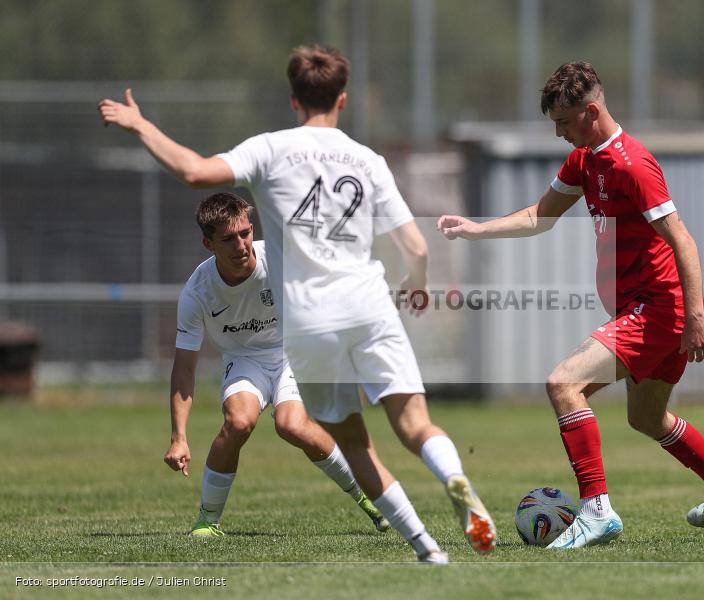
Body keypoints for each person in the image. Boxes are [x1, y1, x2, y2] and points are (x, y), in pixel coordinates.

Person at [98, 45, 494, 563]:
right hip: (370, 303)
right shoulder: (367, 159)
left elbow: (194, 171)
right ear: (343, 99)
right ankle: (455, 478)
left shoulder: (270, 149)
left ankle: (426, 548)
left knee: (355, 444)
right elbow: (417, 247)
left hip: (311, 320)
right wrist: (414, 283)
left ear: (293, 100)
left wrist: (141, 127)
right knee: (415, 425)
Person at [437, 61, 704, 549]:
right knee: (647, 419)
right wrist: (476, 228)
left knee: (563, 383)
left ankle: (596, 511)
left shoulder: (632, 164)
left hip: (657, 309)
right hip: (646, 310)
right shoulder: (583, 161)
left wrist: (695, 317)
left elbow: (683, 241)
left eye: (564, 124)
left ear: (590, 113)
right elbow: (541, 216)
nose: (559, 134)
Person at [167, 192, 388, 537]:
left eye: (245, 233)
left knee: (291, 425)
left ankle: (367, 497)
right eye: (228, 238)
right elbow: (184, 368)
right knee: (238, 422)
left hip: (291, 353)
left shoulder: (282, 262)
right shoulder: (197, 293)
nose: (241, 245)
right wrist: (179, 437)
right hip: (244, 361)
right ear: (208, 244)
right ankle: (208, 521)